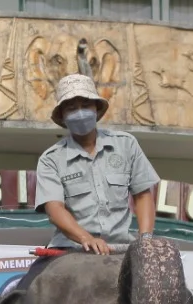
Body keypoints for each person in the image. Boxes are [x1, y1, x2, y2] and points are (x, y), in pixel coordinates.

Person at [34, 73, 158, 255]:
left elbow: (142, 195)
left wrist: (146, 239)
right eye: (71, 108)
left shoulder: (126, 144)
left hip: (122, 249)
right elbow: (54, 210)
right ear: (62, 116)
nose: (80, 112)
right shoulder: (51, 159)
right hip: (73, 249)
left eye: (85, 105)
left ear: (97, 109)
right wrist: (86, 238)